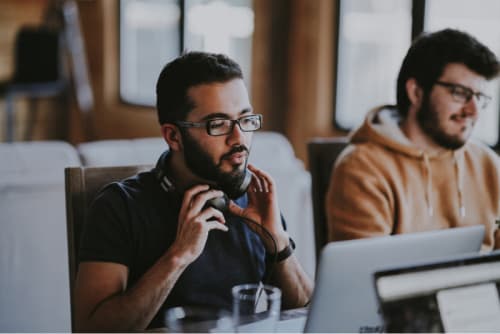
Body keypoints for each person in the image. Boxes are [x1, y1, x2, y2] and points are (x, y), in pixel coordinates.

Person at [74, 52, 313, 331]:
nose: (239, 139)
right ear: (173, 136)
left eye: (246, 120)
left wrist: (278, 243)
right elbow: (91, 330)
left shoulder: (254, 200)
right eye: (218, 124)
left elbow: (308, 315)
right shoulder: (118, 207)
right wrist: (179, 255)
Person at [326, 29, 500, 249]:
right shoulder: (363, 168)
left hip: (480, 284)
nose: (473, 111)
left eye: (480, 97)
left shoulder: (488, 164)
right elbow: (365, 277)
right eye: (459, 93)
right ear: (416, 92)